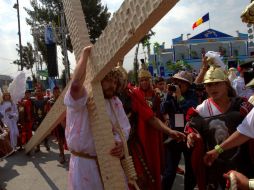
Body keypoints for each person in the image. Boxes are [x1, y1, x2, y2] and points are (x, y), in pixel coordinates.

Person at [64, 46, 131, 190]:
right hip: (84, 166)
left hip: (111, 163)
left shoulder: (115, 102)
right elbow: (75, 86)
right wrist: (85, 55)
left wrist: (120, 142)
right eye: (107, 80)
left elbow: (124, 127)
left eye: (115, 82)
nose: (112, 85)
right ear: (98, 79)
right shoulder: (83, 97)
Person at [186, 66, 253, 190]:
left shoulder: (242, 106)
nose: (212, 88)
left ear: (226, 84)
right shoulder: (202, 109)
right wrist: (192, 136)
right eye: (209, 85)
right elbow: (191, 128)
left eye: (217, 83)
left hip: (242, 161)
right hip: (214, 163)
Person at [118, 67, 186, 190]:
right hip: (119, 143)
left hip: (140, 138)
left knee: (143, 173)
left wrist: (168, 130)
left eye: (119, 80)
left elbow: (152, 117)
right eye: (141, 80)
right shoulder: (105, 97)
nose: (116, 83)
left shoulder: (135, 95)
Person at [161, 70, 198, 190]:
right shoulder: (170, 94)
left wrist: (180, 97)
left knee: (190, 170)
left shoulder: (192, 94)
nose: (176, 85)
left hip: (188, 136)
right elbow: (163, 110)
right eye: (175, 82)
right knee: (170, 171)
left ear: (187, 84)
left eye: (180, 83)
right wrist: (167, 95)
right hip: (174, 136)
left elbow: (189, 110)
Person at [46, 86, 66, 164]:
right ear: (53, 92)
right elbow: (48, 113)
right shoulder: (50, 101)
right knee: (60, 140)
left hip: (65, 121)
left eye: (58, 91)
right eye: (55, 91)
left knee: (68, 139)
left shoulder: (63, 100)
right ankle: (62, 155)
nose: (57, 93)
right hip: (57, 124)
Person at [32, 87, 50, 152]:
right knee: (37, 133)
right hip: (37, 118)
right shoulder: (33, 100)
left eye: (39, 91)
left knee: (45, 132)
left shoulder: (46, 99)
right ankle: (38, 146)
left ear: (42, 92)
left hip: (44, 118)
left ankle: (46, 143)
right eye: (37, 91)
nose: (38, 92)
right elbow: (33, 111)